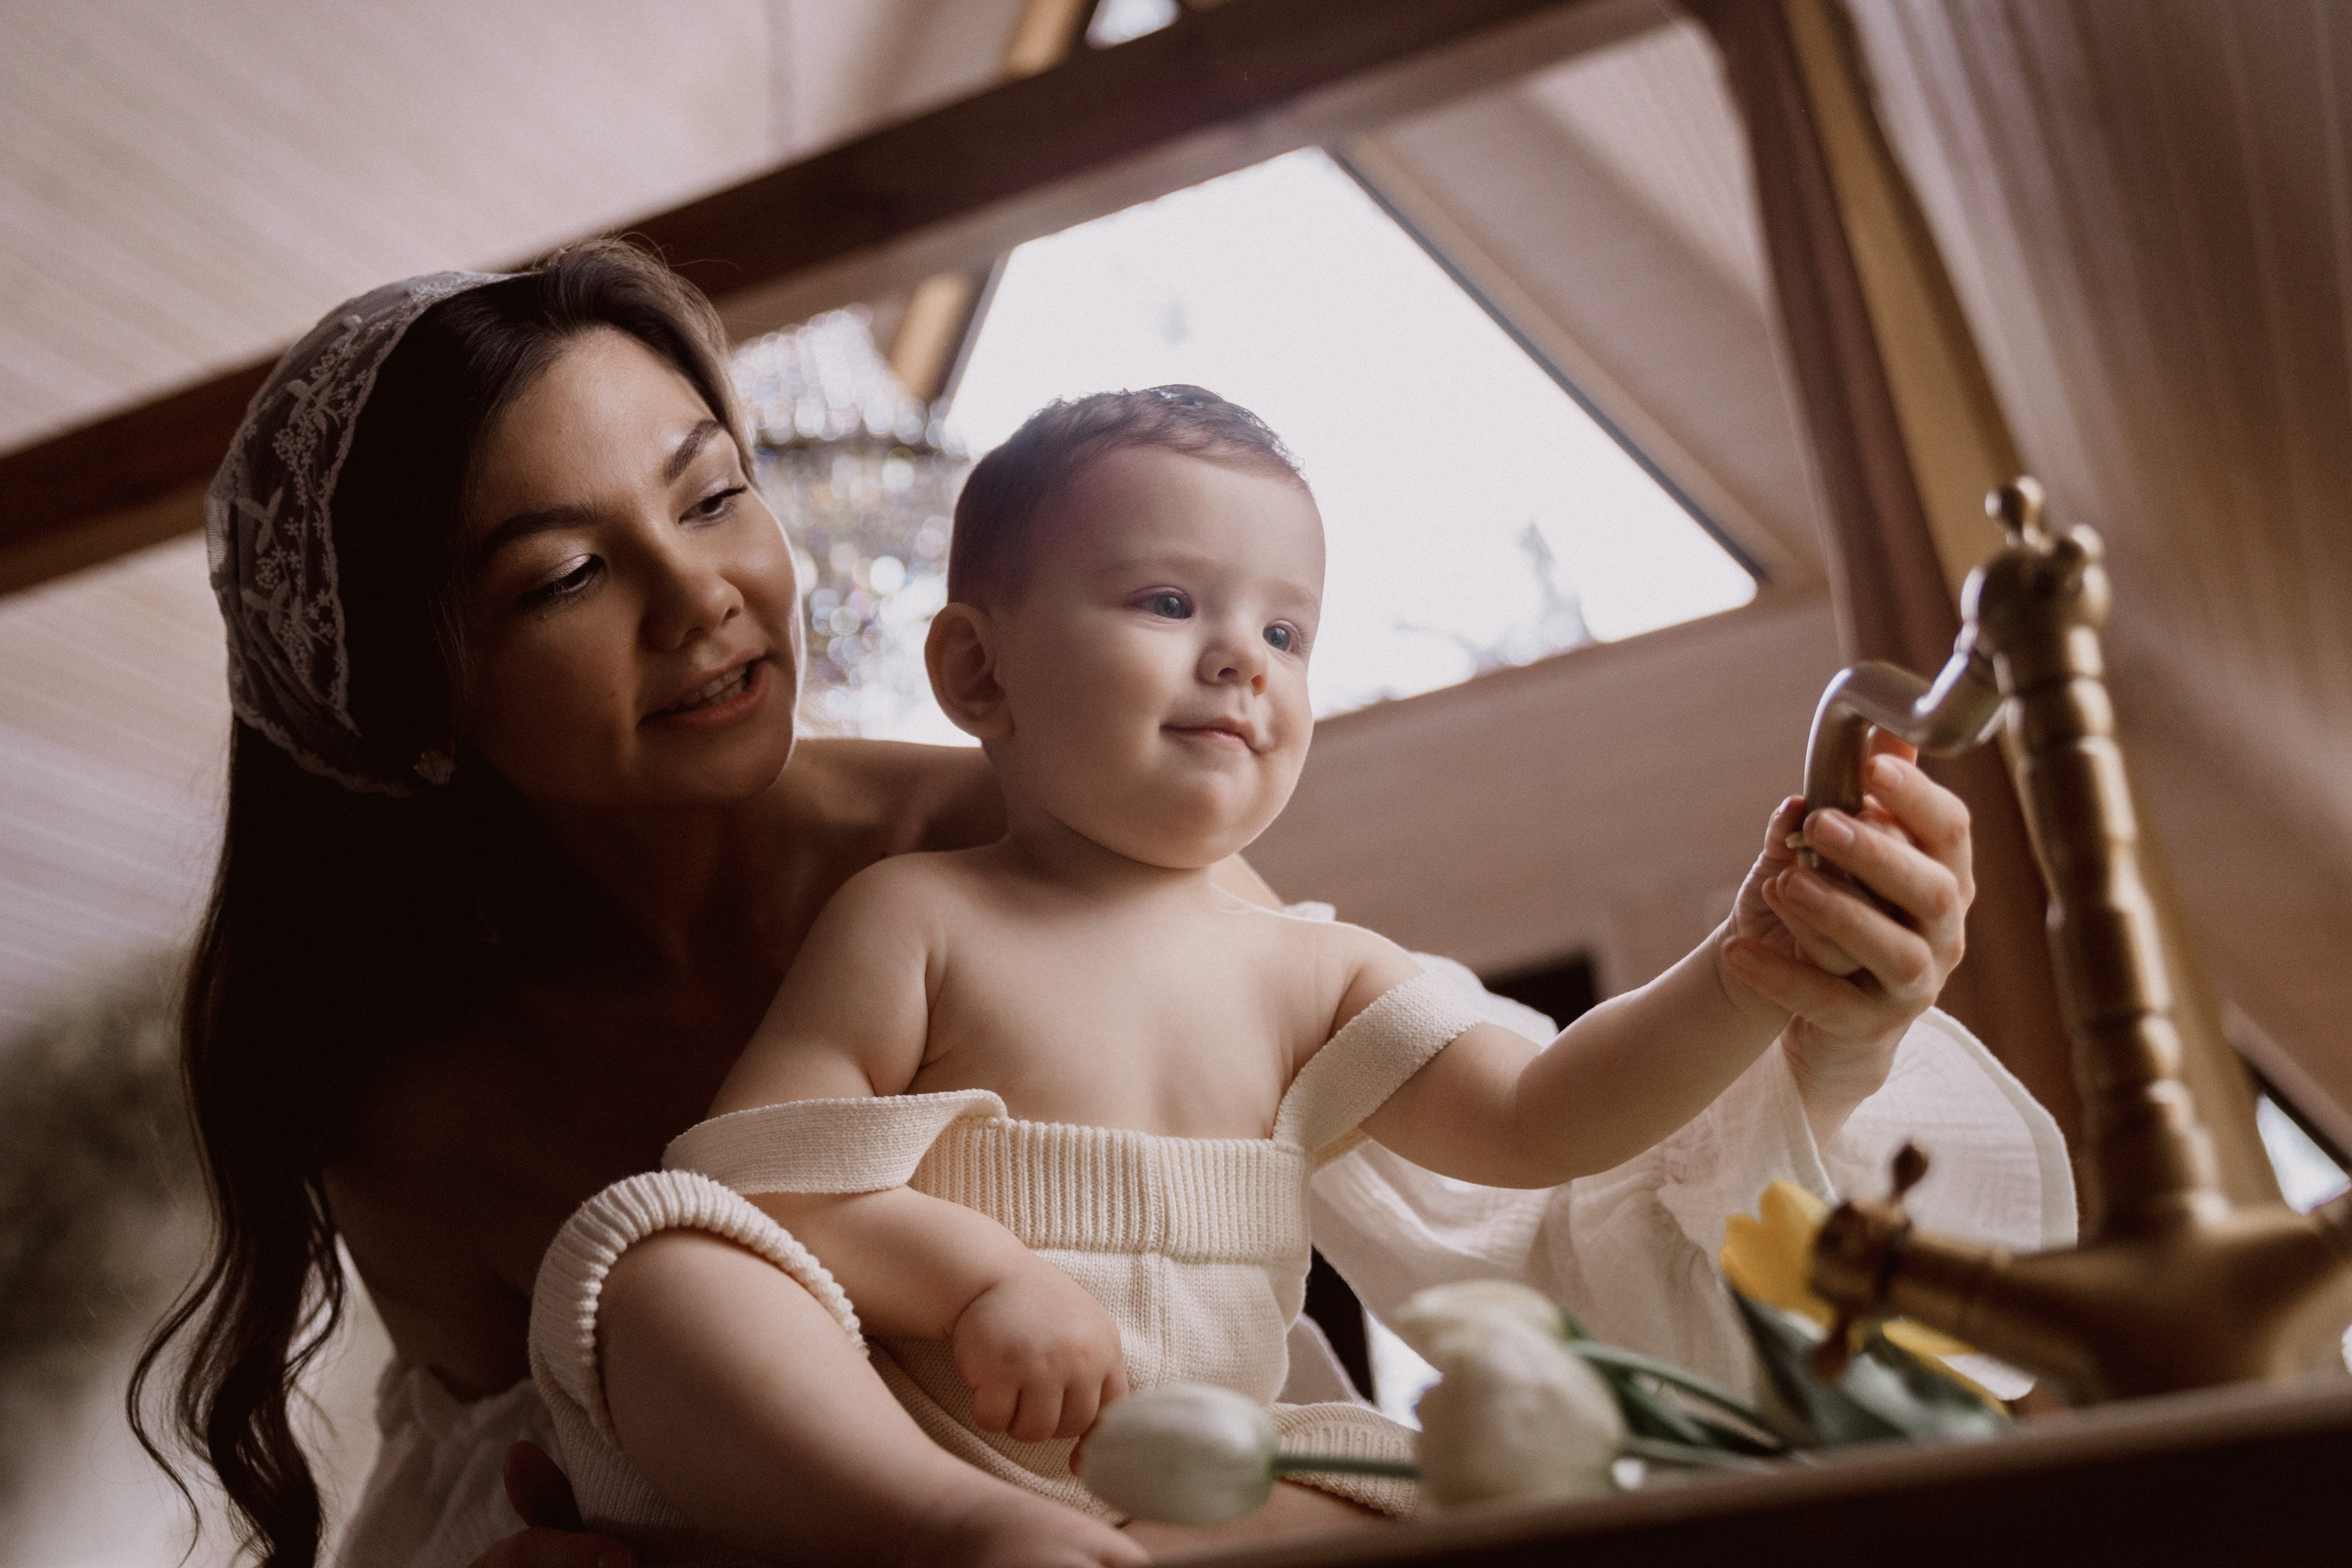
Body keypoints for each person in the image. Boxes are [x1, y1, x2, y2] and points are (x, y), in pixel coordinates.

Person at [134, 243, 2070, 1568]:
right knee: (650, 1250)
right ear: (419, 695)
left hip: (1192, 1447)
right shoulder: (415, 1091)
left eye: (714, 496)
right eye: (566, 573)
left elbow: (1536, 1142)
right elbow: (583, 1395)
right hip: (856, 1504)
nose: (704, 594)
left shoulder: (1050, 847)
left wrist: (1771, 977)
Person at [528, 385, 2011, 1562]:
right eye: (1170, 604)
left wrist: (1746, 972)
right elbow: (765, 1178)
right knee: (657, 1260)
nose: (1243, 657)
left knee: (1464, 1485)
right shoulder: (918, 918)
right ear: (979, 674)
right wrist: (980, 1285)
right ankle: (956, 1540)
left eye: (1285, 629)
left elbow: (1554, 1111)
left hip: (1215, 1467)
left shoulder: (1319, 974)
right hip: (929, 1447)